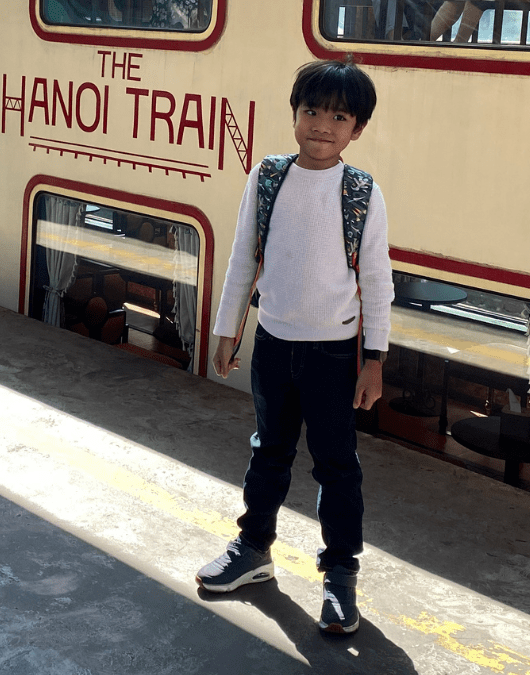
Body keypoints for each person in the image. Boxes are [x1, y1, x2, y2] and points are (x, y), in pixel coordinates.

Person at [196, 59, 393, 635]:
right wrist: (226, 326)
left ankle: (340, 576)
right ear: (294, 115)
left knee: (337, 468)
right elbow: (243, 258)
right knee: (269, 451)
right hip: (273, 346)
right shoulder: (267, 177)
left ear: (356, 128)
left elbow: (377, 282)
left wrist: (374, 360)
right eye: (311, 111)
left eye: (339, 115)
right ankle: (253, 550)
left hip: (335, 357)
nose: (321, 126)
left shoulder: (362, 193)